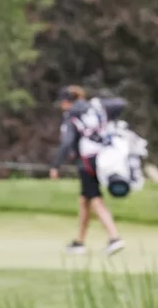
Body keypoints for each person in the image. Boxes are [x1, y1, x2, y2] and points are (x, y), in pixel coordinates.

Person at [49, 85, 125, 255]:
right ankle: (80, 241)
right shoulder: (96, 107)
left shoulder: (72, 115)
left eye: (62, 102)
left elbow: (67, 142)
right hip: (104, 156)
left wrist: (56, 165)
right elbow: (120, 103)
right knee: (85, 200)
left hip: (88, 160)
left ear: (67, 101)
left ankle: (114, 238)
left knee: (95, 199)